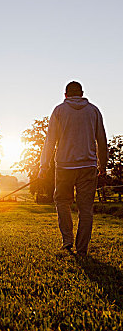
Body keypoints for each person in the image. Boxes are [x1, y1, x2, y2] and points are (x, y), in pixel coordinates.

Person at [38, 81, 108, 257]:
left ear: (66, 95)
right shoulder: (93, 111)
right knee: (86, 209)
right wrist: (103, 165)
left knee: (62, 202)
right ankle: (82, 248)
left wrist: (44, 165)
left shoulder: (59, 111)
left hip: (64, 166)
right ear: (82, 93)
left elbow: (50, 140)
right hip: (88, 166)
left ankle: (67, 240)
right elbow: (102, 139)